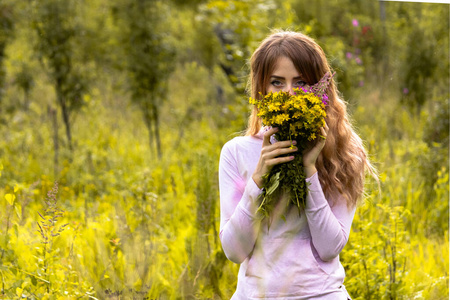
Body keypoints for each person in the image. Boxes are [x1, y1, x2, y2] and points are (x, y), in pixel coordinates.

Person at [218, 30, 376, 299]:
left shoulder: (343, 152)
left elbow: (329, 248)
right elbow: (234, 251)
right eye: (277, 82)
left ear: (319, 88)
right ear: (261, 88)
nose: (289, 94)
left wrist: (309, 170)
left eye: (301, 82)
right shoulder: (236, 152)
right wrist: (258, 179)